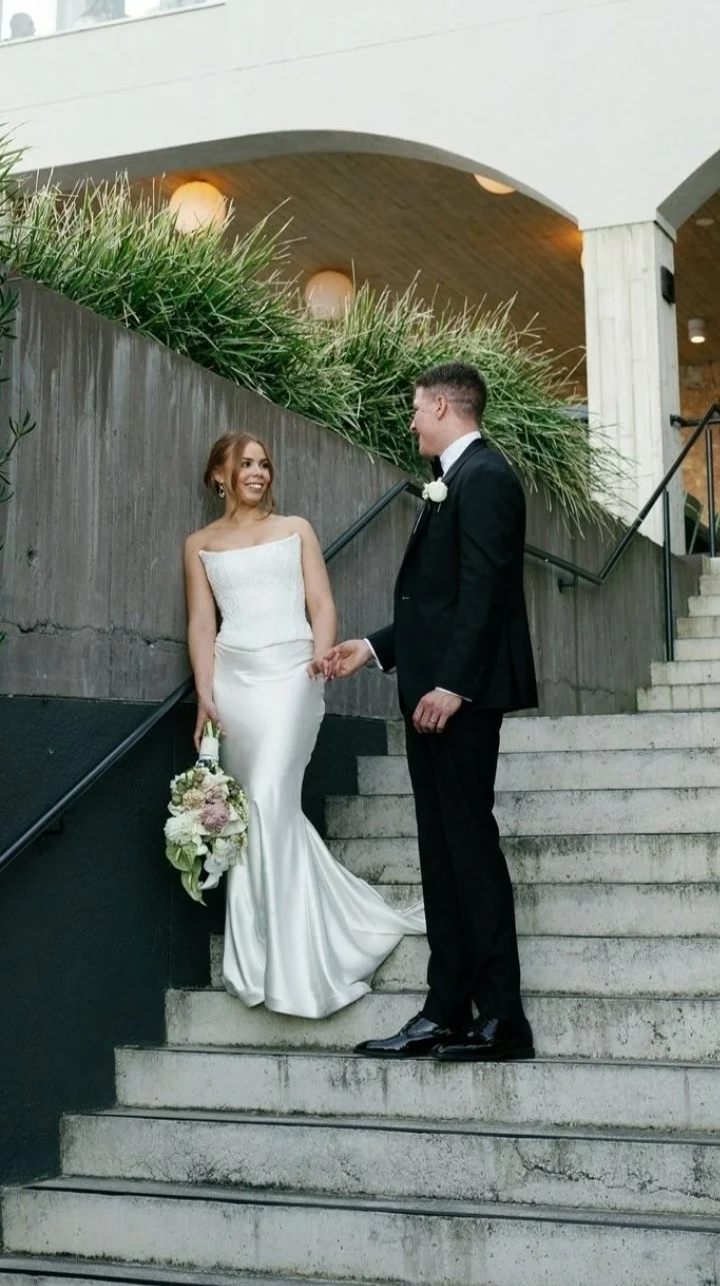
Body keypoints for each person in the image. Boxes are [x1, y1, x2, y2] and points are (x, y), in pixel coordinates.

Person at [317, 362, 538, 1062]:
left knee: (469, 852)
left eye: (416, 408)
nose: (411, 420)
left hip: (457, 703)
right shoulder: (458, 479)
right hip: (434, 692)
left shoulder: (487, 478)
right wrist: (374, 649)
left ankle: (503, 1018)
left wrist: (454, 686)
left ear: (444, 406)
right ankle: (445, 1009)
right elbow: (436, 604)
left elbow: (484, 595)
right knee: (442, 857)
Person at [183, 432, 423, 1019]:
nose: (259, 472)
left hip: (294, 677)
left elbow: (322, 604)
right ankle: (265, 951)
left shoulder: (297, 529)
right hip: (235, 686)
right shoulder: (199, 544)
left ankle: (294, 969)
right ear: (220, 474)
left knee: (268, 797)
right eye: (246, 464)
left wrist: (318, 658)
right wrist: (203, 697)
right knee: (260, 814)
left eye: (265, 463)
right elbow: (199, 622)